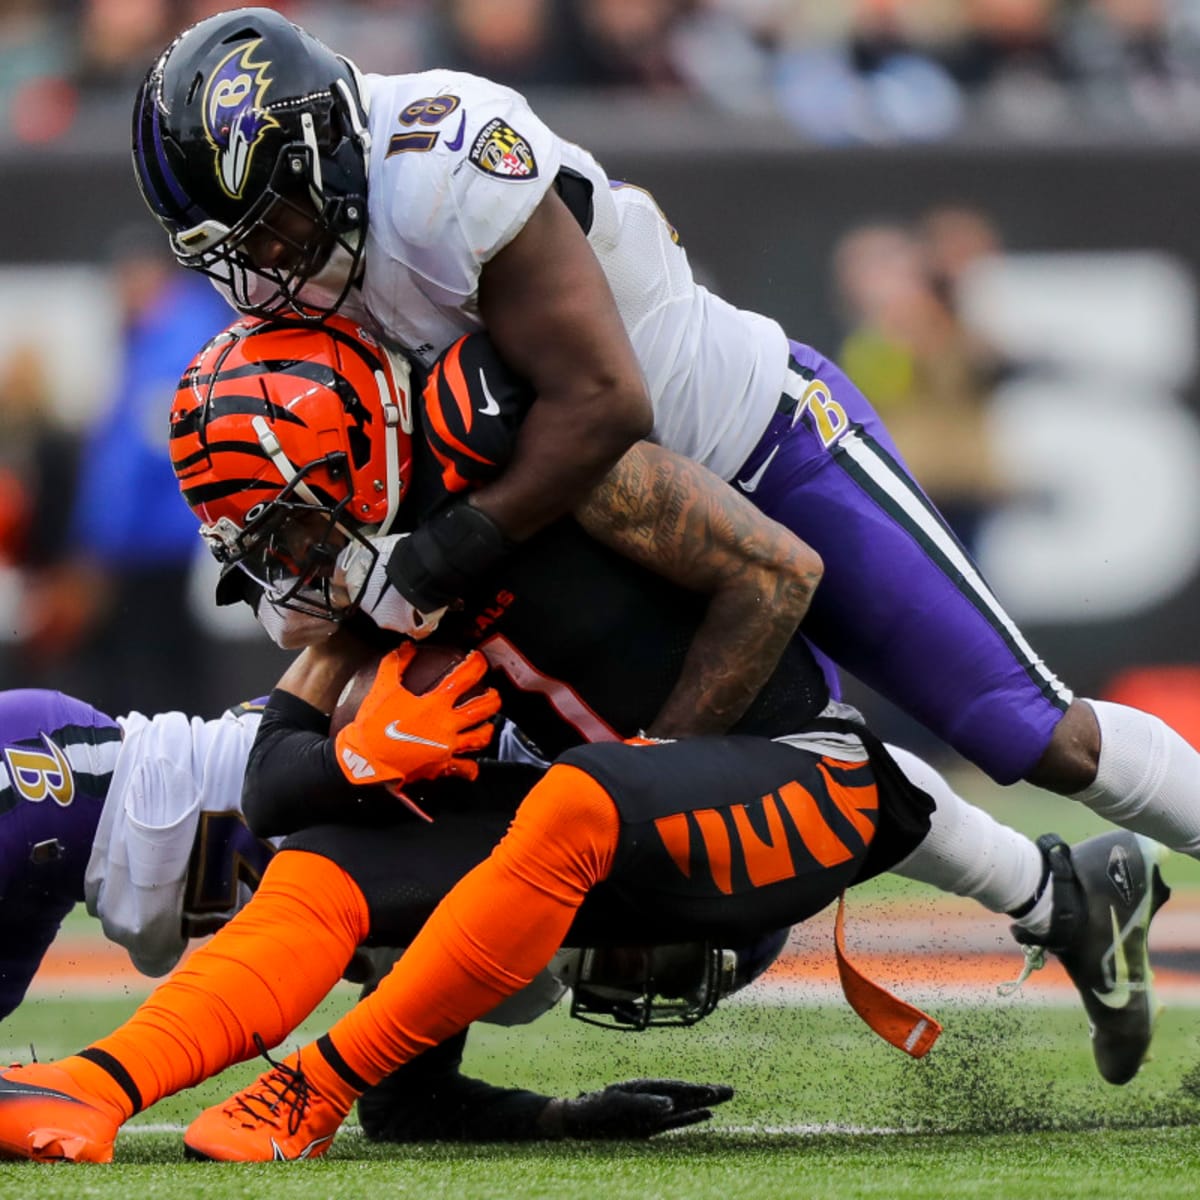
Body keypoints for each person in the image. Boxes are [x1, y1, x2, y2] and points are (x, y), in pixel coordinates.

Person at [0, 318, 1167, 1163]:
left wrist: (664, 758)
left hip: (755, 780)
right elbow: (278, 781)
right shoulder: (373, 566)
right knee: (353, 858)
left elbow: (789, 598)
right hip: (634, 808)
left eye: (292, 526)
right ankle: (105, 1085)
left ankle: (303, 1087)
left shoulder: (526, 458)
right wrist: (357, 761)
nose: (282, 571)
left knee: (583, 802)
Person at [130, 8, 1200, 886]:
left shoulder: (444, 160)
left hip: (751, 444)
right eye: (233, 252)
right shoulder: (303, 273)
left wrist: (441, 551)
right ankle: (1056, 899)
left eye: (272, 228)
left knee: (1026, 731)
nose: (265, 271)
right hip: (590, 528)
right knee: (784, 766)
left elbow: (603, 401)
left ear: (320, 145)